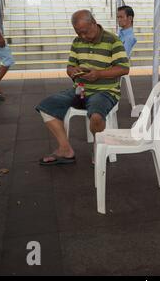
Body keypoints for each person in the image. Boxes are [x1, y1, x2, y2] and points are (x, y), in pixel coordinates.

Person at [35, 10, 129, 165]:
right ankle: (65, 149)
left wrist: (98, 74)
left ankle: (98, 148)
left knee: (97, 116)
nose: (83, 37)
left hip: (105, 92)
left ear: (94, 23)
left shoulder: (113, 41)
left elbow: (124, 68)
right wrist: (72, 72)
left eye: (85, 32)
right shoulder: (77, 42)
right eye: (79, 33)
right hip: (80, 89)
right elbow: (70, 66)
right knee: (46, 106)